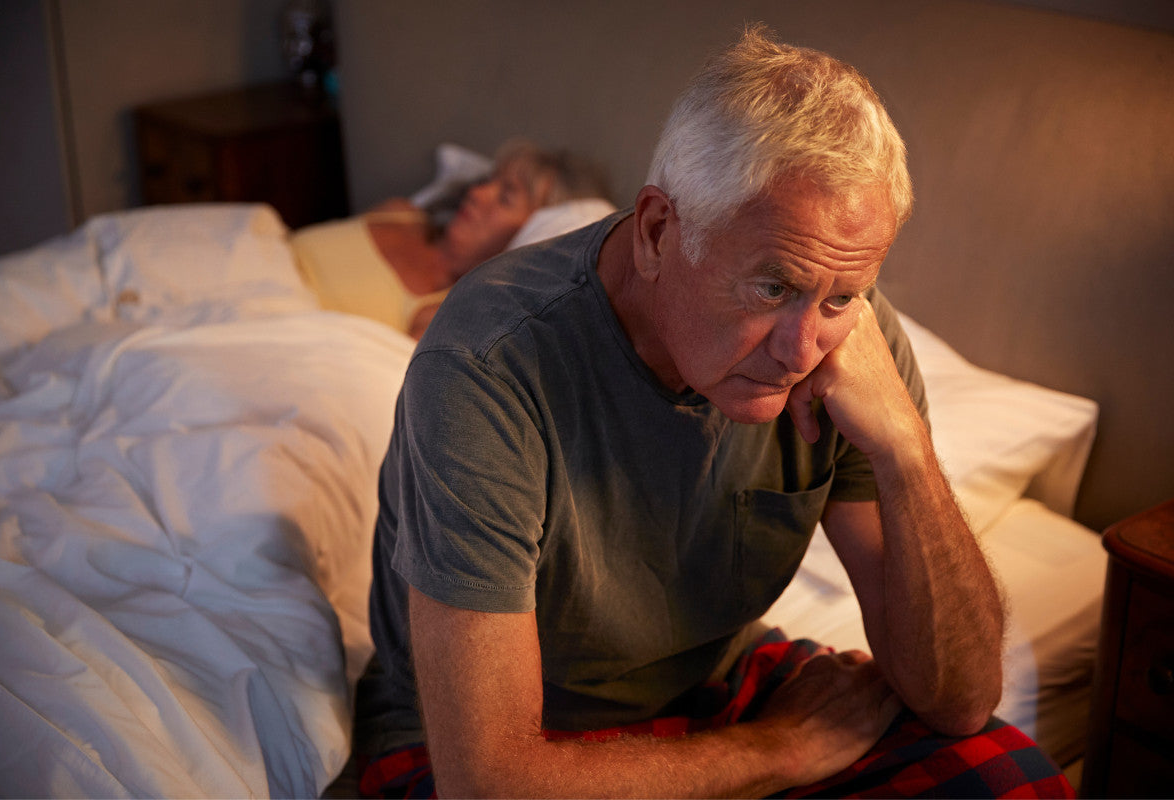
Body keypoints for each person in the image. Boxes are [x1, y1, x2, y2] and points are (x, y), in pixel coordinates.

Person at [357, 27, 1075, 798]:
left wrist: (904, 450)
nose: (803, 348)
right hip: (492, 744)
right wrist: (781, 751)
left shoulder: (850, 336)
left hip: (714, 687)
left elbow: (960, 699)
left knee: (1008, 779)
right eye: (772, 288)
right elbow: (488, 780)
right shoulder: (487, 368)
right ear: (661, 231)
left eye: (841, 297)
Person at [289, 139, 610, 338]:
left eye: (505, 197)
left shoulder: (442, 316)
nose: (476, 192)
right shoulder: (399, 212)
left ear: (532, 234)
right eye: (488, 180)